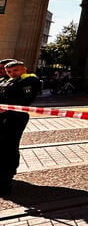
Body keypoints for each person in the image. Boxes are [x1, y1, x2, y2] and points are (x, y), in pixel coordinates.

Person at [0, 60, 42, 195]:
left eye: (15, 70)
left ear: (24, 69)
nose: (12, 74)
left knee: (9, 147)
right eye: (9, 72)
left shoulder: (30, 81)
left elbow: (25, 100)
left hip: (15, 118)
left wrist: (6, 107)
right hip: (2, 117)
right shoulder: (6, 81)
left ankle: (6, 181)